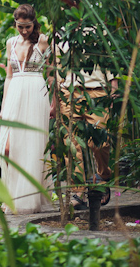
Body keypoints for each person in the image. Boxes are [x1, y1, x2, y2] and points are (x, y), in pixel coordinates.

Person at [50, 37, 117, 210]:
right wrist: (56, 101)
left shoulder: (97, 30)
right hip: (68, 93)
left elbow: (108, 61)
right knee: (70, 143)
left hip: (97, 92)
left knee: (99, 142)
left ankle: (103, 177)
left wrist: (114, 89)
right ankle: (77, 191)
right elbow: (58, 68)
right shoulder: (60, 36)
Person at [0, 4, 52, 214]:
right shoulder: (10, 42)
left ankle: (27, 200)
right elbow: (9, 76)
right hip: (14, 95)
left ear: (33, 23)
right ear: (15, 24)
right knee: (8, 149)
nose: (23, 31)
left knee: (31, 146)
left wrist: (54, 102)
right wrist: (4, 107)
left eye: (27, 26)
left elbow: (51, 73)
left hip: (36, 95)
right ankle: (11, 196)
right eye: (20, 26)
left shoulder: (42, 40)